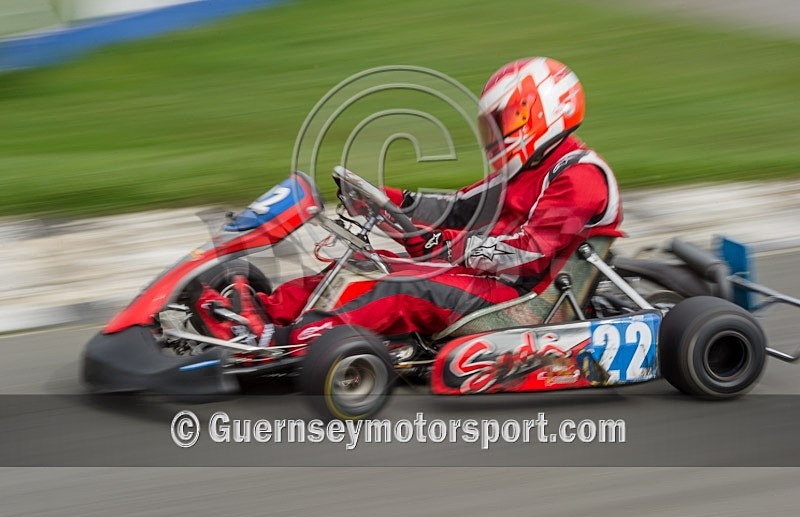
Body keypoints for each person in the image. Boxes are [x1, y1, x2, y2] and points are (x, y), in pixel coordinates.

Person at [204, 57, 624, 345]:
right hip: (490, 282)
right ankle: (258, 311)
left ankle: (277, 341)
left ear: (546, 112)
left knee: (401, 289)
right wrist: (387, 200)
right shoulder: (528, 168)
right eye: (493, 125)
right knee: (363, 266)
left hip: (526, 305)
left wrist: (442, 244)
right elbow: (459, 208)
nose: (496, 134)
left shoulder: (580, 177)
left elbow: (527, 254)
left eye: (506, 120)